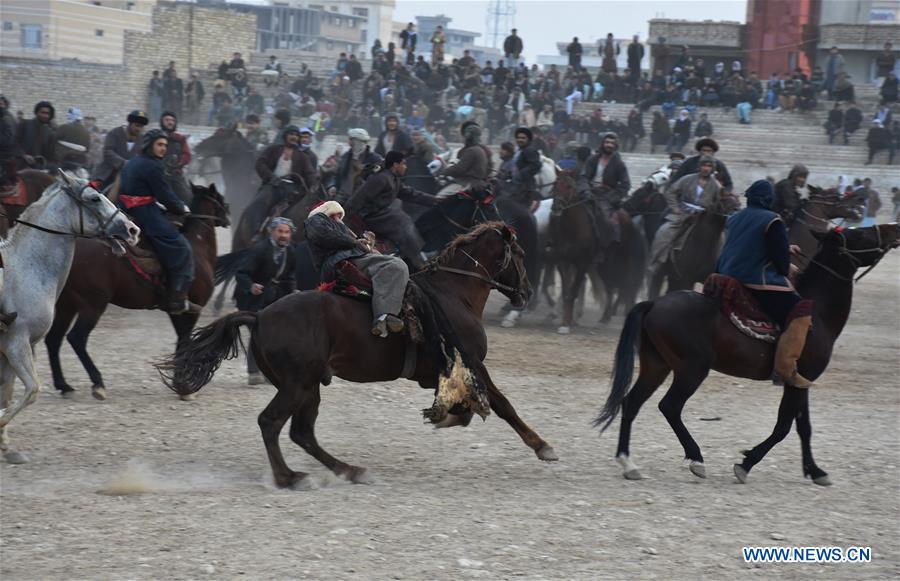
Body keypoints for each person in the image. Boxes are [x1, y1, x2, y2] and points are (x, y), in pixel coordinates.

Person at [716, 180, 812, 387]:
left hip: (724, 276)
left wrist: (785, 246)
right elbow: (778, 262)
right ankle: (785, 369)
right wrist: (788, 267)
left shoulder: (734, 218)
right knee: (801, 309)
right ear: (769, 200)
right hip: (755, 280)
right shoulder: (773, 220)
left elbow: (750, 244)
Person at [305, 200, 409, 338]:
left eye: (339, 216)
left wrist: (369, 245)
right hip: (341, 261)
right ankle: (384, 314)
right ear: (324, 213)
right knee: (395, 265)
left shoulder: (342, 229)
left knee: (397, 267)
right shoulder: (315, 219)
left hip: (351, 258)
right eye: (333, 215)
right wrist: (355, 242)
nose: (338, 219)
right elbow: (323, 235)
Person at [118, 129, 194, 314]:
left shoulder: (133, 161)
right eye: (159, 144)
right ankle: (177, 296)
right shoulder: (153, 166)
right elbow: (164, 194)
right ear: (149, 145)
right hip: (144, 212)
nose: (163, 149)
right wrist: (181, 207)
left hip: (124, 208)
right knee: (182, 248)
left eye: (165, 146)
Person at [342, 151, 436, 268]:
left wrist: (435, 201)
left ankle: (408, 253)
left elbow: (412, 194)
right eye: (404, 164)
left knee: (400, 216)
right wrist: (344, 218)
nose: (406, 167)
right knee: (402, 219)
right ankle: (419, 257)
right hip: (371, 216)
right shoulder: (381, 179)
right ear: (395, 165)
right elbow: (359, 197)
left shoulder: (394, 180)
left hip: (381, 213)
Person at [236, 217, 297, 384]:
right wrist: (251, 286)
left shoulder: (291, 251)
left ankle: (271, 371)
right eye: (280, 231)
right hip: (253, 299)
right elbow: (241, 273)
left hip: (275, 299)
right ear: (272, 232)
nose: (283, 235)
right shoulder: (259, 249)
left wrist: (293, 291)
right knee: (259, 333)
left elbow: (289, 276)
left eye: (287, 232)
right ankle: (254, 372)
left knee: (277, 335)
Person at [647, 155, 721, 283]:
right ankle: (656, 263)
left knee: (720, 238)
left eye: (709, 166)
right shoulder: (687, 179)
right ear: (699, 166)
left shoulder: (716, 186)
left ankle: (717, 270)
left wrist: (709, 212)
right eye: (704, 165)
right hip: (682, 214)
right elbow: (671, 192)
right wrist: (675, 208)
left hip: (704, 217)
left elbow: (717, 203)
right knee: (664, 232)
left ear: (712, 168)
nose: (706, 168)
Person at [579, 132, 631, 242]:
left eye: (612, 143)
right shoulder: (592, 159)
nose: (609, 145)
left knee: (606, 221)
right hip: (589, 192)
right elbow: (584, 177)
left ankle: (605, 246)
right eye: (607, 142)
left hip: (606, 196)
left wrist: (611, 198)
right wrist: (586, 191)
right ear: (602, 143)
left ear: (615, 145)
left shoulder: (619, 163)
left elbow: (625, 185)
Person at [255, 125, 318, 207]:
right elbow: (260, 163)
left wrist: (314, 186)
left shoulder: (302, 157)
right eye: (291, 134)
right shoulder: (273, 149)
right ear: (285, 136)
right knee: (258, 205)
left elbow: (309, 174)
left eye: (296, 135)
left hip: (292, 190)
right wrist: (271, 177)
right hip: (271, 185)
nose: (294, 137)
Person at [91, 110, 148, 188]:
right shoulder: (115, 133)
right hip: (106, 175)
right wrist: (123, 162)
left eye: (141, 127)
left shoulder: (142, 139)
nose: (139, 129)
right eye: (137, 125)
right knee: (92, 194)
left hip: (129, 177)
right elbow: (107, 151)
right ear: (130, 123)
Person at [437, 122, 490, 195]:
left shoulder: (471, 151)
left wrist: (443, 172)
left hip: (467, 183)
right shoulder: (479, 149)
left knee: (440, 196)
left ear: (468, 137)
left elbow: (460, 168)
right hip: (475, 183)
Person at [330, 128, 382, 199]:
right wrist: (333, 186)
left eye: (353, 140)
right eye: (350, 140)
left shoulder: (375, 159)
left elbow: (377, 180)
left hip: (363, 197)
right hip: (343, 194)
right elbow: (338, 174)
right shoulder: (346, 156)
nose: (350, 143)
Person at [158, 111, 192, 204]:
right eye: (167, 120)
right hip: (157, 175)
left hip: (175, 176)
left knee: (189, 198)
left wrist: (179, 163)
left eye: (172, 120)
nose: (170, 122)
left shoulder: (180, 138)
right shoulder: (156, 136)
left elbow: (187, 155)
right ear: (162, 121)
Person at [16, 101, 57, 167]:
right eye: (42, 113)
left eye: (47, 113)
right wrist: (23, 155)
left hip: (38, 169)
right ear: (36, 112)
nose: (45, 116)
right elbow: (14, 143)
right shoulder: (25, 124)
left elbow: (50, 155)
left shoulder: (49, 133)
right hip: (20, 166)